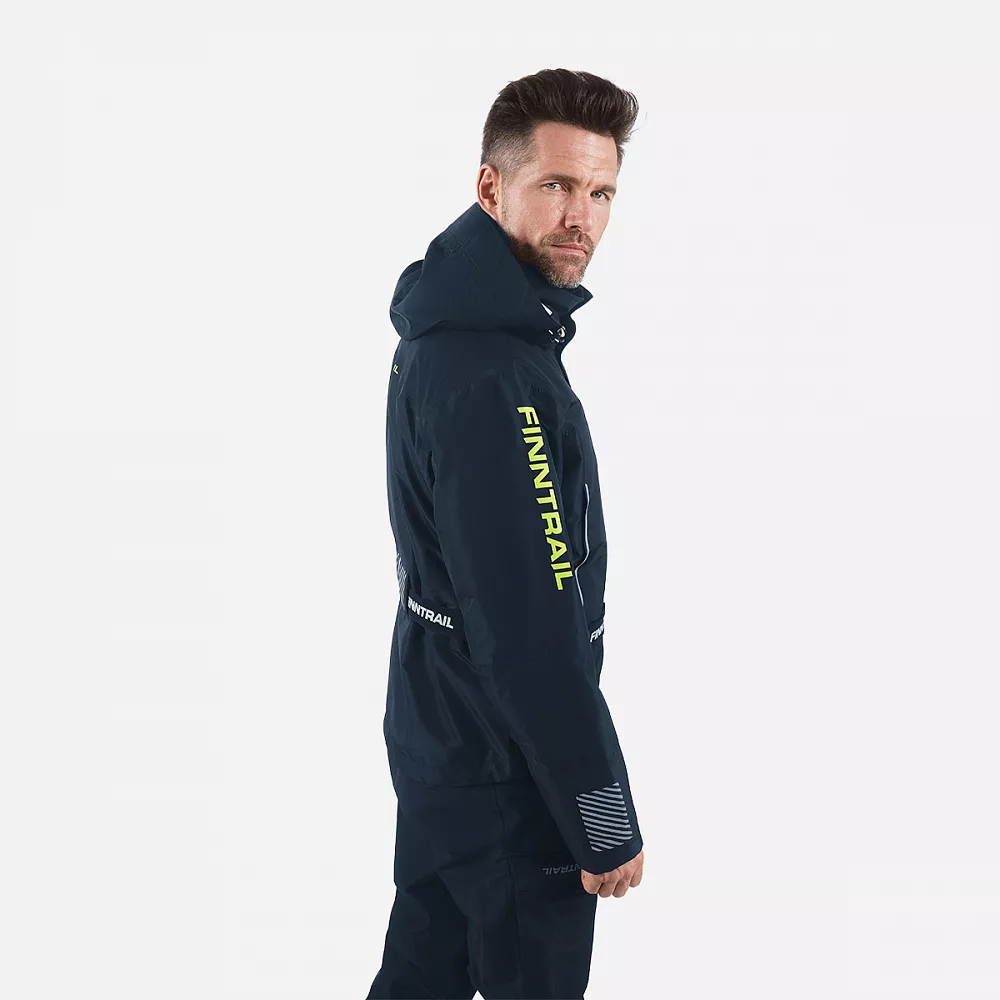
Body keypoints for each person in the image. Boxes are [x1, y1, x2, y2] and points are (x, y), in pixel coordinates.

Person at [367, 67, 644, 1000]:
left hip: (442, 739)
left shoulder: (456, 328)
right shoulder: (495, 374)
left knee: (422, 978)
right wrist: (600, 814)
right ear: (491, 186)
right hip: (507, 769)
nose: (581, 218)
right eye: (557, 185)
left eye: (600, 192)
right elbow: (527, 624)